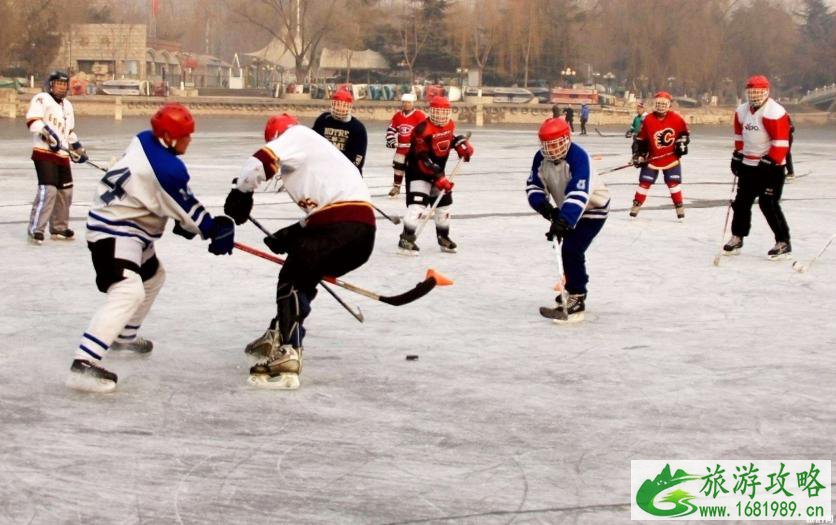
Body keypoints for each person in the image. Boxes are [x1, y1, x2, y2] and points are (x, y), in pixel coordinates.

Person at [66, 103, 236, 393]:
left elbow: (155, 196)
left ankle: (124, 336)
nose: (189, 140)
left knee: (154, 277)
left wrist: (183, 221)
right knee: (128, 291)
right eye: (185, 135)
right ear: (169, 137)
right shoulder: (167, 168)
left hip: (131, 228)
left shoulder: (146, 139)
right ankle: (84, 362)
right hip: (114, 231)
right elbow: (184, 205)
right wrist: (211, 229)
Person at [223, 114, 376, 390]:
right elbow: (324, 207)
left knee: (292, 278)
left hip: (341, 226)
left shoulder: (298, 136)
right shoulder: (319, 155)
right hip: (360, 235)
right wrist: (292, 234)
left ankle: (289, 353)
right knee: (303, 275)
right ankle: (277, 332)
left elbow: (258, 162)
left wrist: (241, 192)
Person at [527, 118, 610, 323]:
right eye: (548, 145)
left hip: (593, 209)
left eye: (557, 144)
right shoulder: (540, 159)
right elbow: (534, 187)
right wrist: (546, 209)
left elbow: (578, 194)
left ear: (567, 139)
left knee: (572, 249)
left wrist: (564, 221)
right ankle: (573, 288)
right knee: (567, 250)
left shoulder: (579, 157)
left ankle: (578, 296)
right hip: (568, 210)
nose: (553, 150)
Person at [724, 75, 792, 259]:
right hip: (748, 164)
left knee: (768, 204)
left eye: (758, 92)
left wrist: (770, 161)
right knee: (741, 203)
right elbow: (739, 137)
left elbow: (781, 142)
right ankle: (737, 236)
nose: (754, 96)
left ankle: (783, 241)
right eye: (751, 92)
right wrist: (737, 155)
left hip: (772, 167)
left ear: (766, 92)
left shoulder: (774, 112)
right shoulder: (741, 111)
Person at [397, 96, 473, 254]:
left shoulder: (450, 124)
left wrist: (460, 144)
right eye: (437, 112)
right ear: (430, 111)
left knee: (443, 207)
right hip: (418, 171)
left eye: (444, 112)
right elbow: (422, 157)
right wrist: (438, 177)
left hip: (438, 172)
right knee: (417, 207)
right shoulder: (421, 129)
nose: (440, 116)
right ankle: (406, 239)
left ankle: (443, 237)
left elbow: (447, 139)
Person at [25, 69, 87, 245]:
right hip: (44, 153)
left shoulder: (67, 106)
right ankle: (36, 228)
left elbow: (69, 132)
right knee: (49, 190)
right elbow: (33, 121)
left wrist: (77, 148)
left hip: (61, 155)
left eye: (64, 84)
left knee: (65, 192)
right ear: (51, 85)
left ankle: (59, 227)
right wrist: (48, 135)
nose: (61, 88)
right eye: (58, 84)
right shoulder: (41, 99)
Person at [629, 91, 690, 220]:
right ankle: (636, 205)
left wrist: (682, 144)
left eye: (664, 104)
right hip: (652, 158)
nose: (661, 106)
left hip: (671, 158)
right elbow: (641, 140)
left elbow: (684, 134)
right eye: (659, 103)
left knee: (673, 183)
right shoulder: (648, 119)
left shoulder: (677, 119)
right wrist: (639, 154)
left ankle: (679, 207)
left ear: (669, 105)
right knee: (644, 182)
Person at [312, 89, 368, 174]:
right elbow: (312, 142)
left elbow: (359, 156)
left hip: (347, 173)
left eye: (344, 105)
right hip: (324, 171)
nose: (340, 108)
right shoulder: (323, 120)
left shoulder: (358, 128)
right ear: (332, 104)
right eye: (338, 104)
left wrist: (348, 172)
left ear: (349, 107)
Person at [386, 93, 426, 198]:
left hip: (414, 149)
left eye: (408, 102)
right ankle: (396, 187)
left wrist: (420, 144)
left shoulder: (419, 115)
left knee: (414, 169)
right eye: (404, 102)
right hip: (401, 148)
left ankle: (414, 189)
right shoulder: (398, 116)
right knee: (398, 167)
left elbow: (424, 131)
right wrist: (391, 140)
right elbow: (391, 129)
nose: (406, 104)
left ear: (412, 103)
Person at [784, 115, 796, 182]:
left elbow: (792, 128)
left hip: (786, 138)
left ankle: (790, 173)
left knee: (786, 154)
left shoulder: (783, 115)